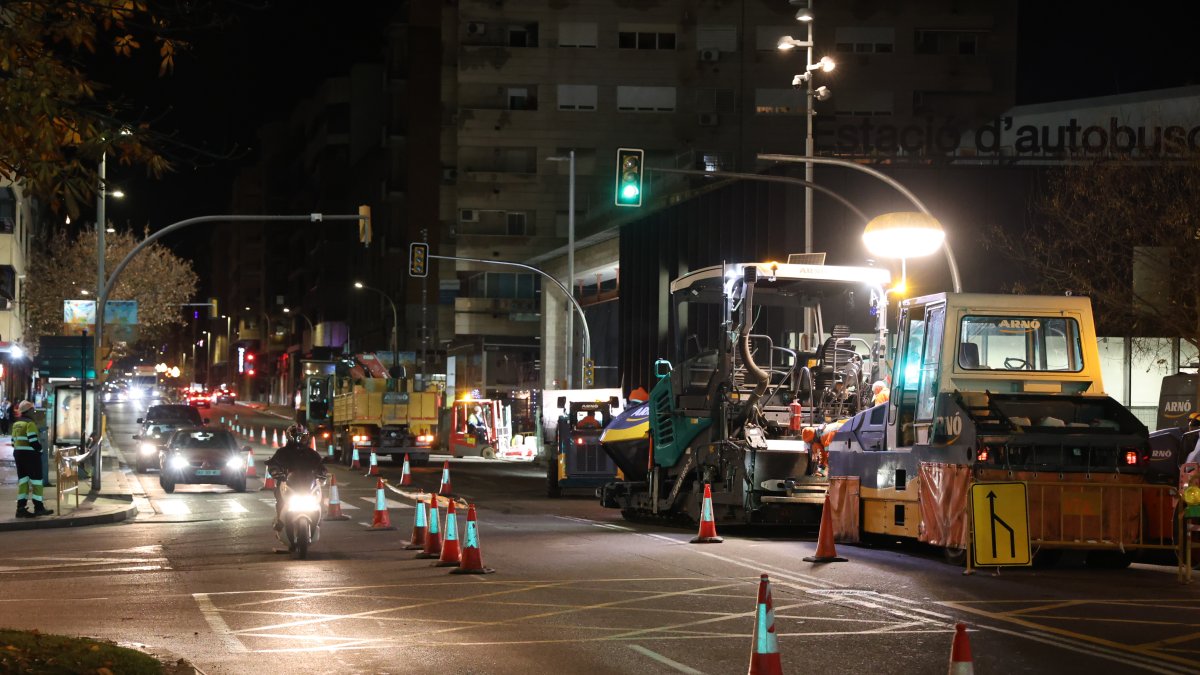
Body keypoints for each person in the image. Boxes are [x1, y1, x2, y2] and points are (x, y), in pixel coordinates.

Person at [265, 424, 327, 545]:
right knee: (280, 499)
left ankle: (319, 520)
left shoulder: (311, 453)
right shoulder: (282, 452)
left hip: (307, 486)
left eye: (303, 437)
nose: (300, 440)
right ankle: (280, 522)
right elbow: (273, 464)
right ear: (290, 437)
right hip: (288, 485)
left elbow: (321, 466)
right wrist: (276, 472)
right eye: (298, 437)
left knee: (319, 500)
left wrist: (322, 473)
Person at [12, 400, 53, 518]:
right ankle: (39, 508)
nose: (34, 412)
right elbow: (33, 441)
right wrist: (40, 450)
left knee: (23, 481)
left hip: (18, 455)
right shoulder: (30, 424)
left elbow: (13, 442)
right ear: (28, 411)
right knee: (37, 482)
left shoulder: (16, 424)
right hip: (30, 456)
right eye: (32, 410)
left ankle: (20, 509)